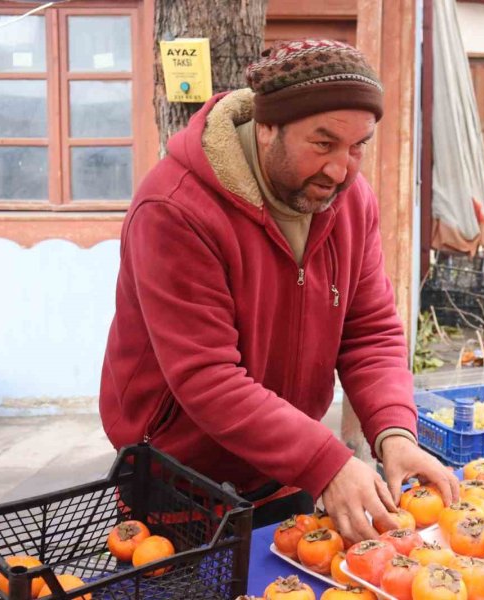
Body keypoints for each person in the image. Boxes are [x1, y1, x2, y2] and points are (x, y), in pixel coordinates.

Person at [100, 39, 458, 542]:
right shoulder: (174, 209)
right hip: (179, 477)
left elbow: (369, 331)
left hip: (285, 468)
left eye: (358, 147)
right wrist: (327, 461)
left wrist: (393, 430)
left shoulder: (351, 202)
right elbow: (208, 377)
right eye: (322, 143)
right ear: (266, 127)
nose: (341, 170)